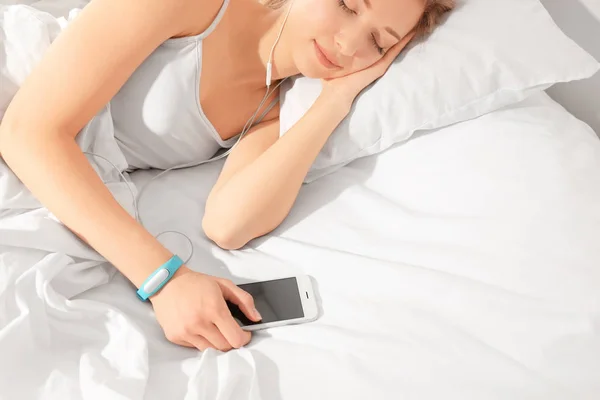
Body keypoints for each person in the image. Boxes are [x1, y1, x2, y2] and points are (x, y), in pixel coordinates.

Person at [0, 0, 454, 352]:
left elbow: (229, 224)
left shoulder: (270, 109)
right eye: (348, 5)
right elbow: (28, 134)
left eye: (378, 42)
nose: (350, 45)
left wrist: (337, 100)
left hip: (52, 165)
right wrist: (165, 280)